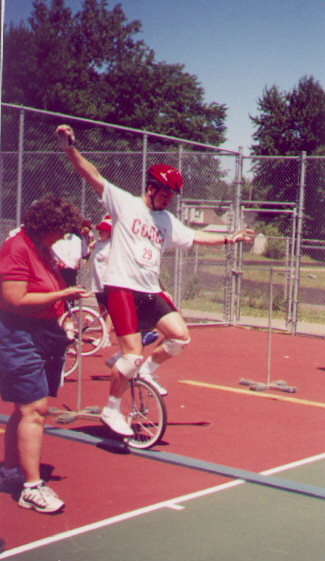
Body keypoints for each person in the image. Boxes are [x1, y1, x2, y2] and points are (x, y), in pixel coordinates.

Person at [56, 124, 254, 438]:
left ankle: (148, 370)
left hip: (151, 290)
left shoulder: (166, 221)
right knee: (131, 353)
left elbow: (196, 237)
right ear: (150, 188)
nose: (168, 200)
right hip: (122, 288)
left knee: (180, 338)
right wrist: (69, 148)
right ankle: (111, 409)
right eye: (164, 194)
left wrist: (230, 239)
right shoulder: (125, 204)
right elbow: (91, 174)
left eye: (172, 197)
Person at [0, 195, 89, 513]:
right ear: (45, 227)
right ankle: (31, 488)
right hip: (18, 333)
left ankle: (9, 471)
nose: (63, 238)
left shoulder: (42, 248)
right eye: (61, 231)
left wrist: (62, 315)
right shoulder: (17, 249)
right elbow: (13, 300)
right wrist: (62, 293)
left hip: (42, 332)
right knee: (34, 409)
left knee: (25, 409)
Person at [89, 215, 114, 348]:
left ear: (110, 232)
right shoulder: (98, 243)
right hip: (98, 282)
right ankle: (103, 334)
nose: (100, 231)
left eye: (104, 230)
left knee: (109, 309)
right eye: (99, 229)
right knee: (102, 308)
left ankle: (107, 337)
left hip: (108, 282)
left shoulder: (113, 244)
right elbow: (90, 245)